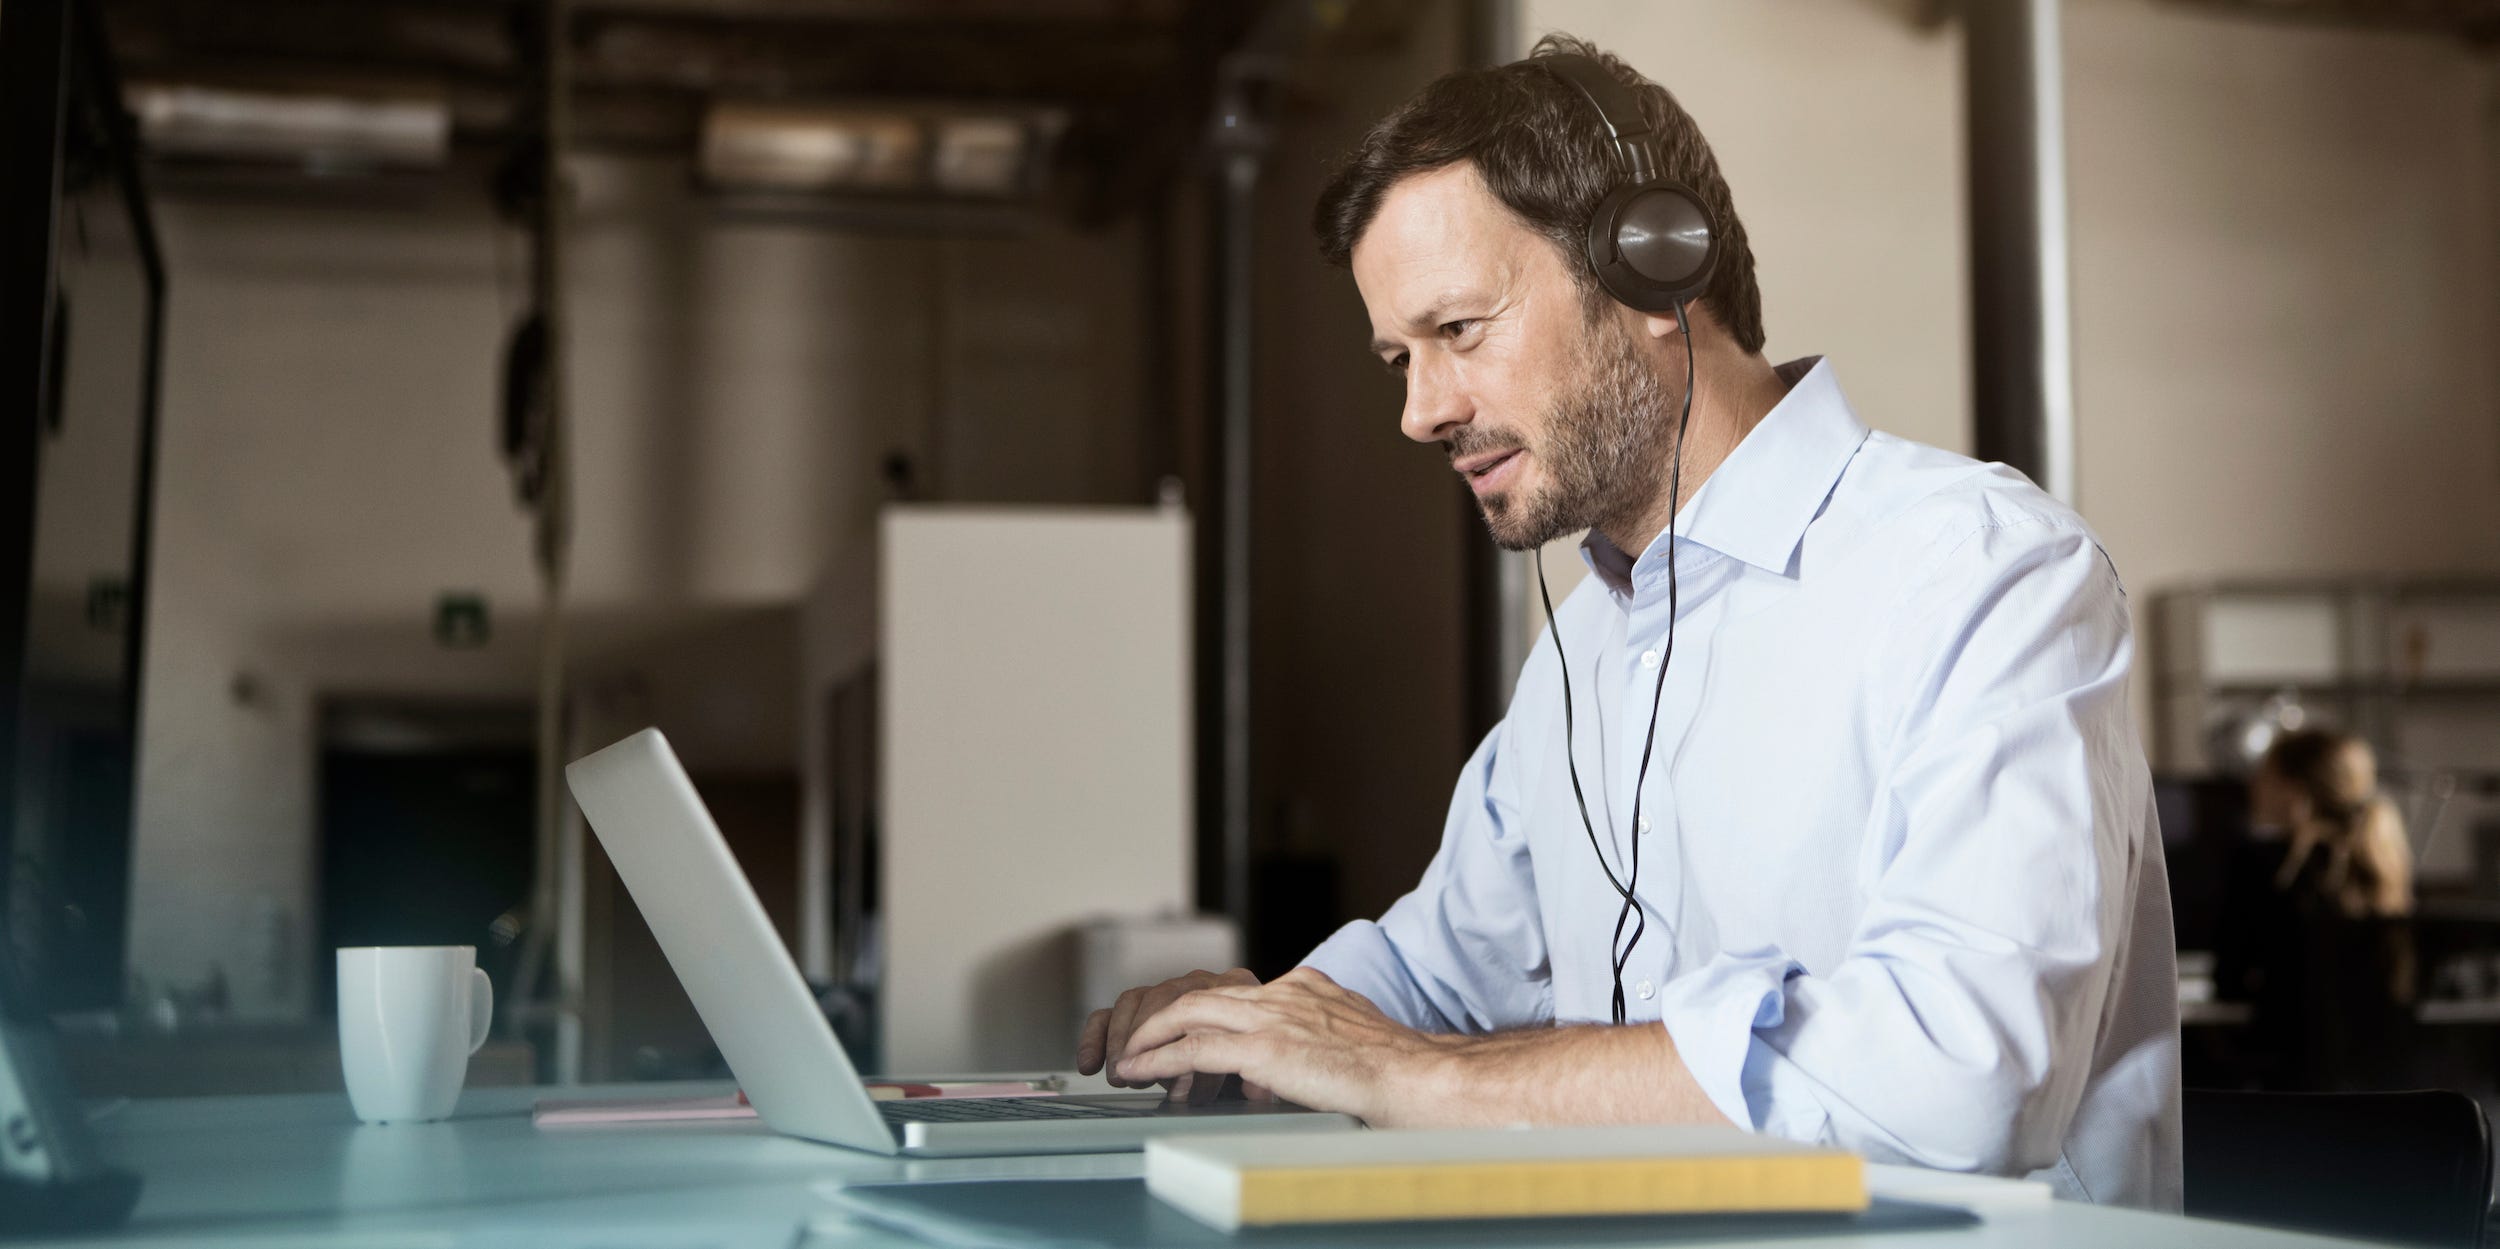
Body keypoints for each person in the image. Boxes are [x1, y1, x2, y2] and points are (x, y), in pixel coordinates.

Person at [1076, 36, 2180, 1208]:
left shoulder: (1982, 572)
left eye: (1458, 331)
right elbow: (1440, 970)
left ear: (1657, 272)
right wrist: (1248, 1026)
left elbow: (1963, 1077)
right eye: (1398, 357)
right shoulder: (1583, 649)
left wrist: (1422, 1077)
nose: (1418, 410)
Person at [2216, 729, 2414, 1089]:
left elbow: (2228, 981)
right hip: (2384, 1091)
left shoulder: (2263, 864)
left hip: (2293, 1084)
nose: (2253, 788)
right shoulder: (2379, 862)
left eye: (2264, 776)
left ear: (2294, 788)